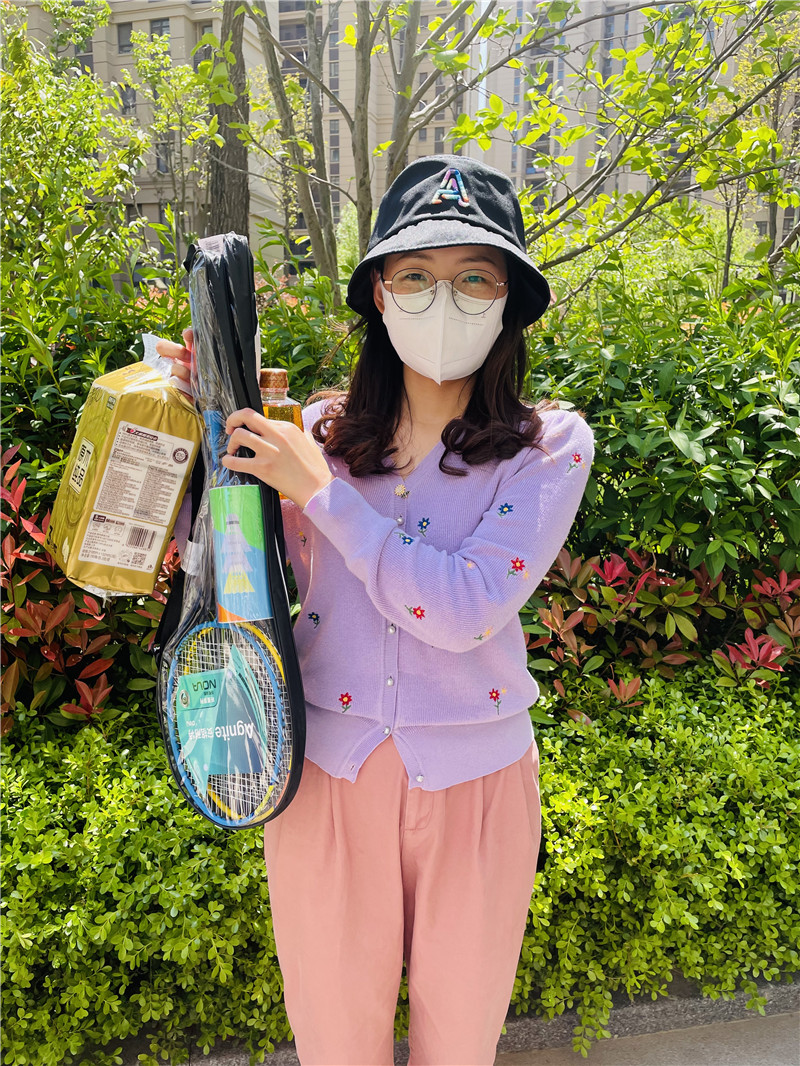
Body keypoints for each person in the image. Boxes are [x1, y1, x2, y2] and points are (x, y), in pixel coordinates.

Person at [158, 155, 594, 1066]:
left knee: (458, 1043)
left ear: (510, 301)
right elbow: (232, 569)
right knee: (335, 1040)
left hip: (478, 787)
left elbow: (467, 607)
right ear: (379, 296)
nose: (445, 300)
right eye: (417, 276)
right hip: (325, 777)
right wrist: (209, 422)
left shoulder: (547, 447)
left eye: (475, 277)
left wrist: (322, 494)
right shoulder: (316, 433)